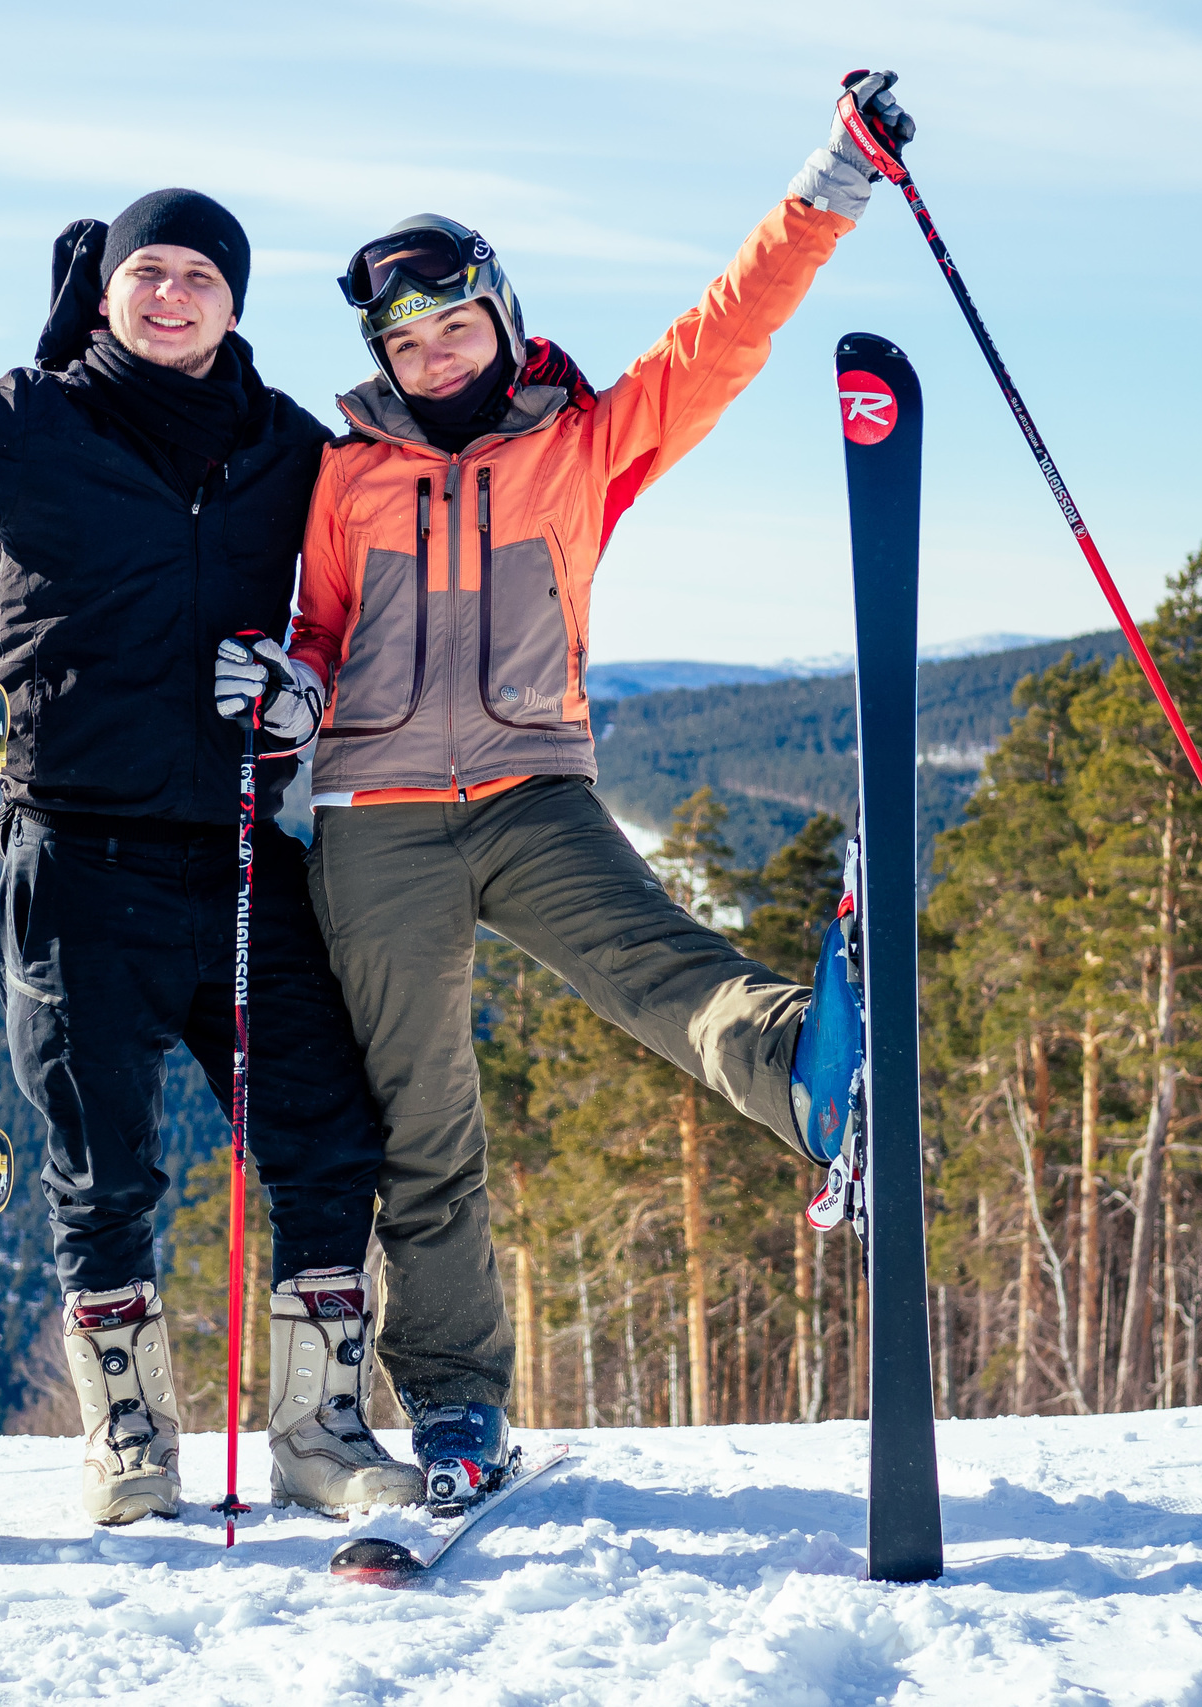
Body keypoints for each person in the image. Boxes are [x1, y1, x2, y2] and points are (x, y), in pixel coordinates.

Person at [285, 73, 917, 1503]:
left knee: (660, 970)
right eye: (412, 338)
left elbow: (724, 334)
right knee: (422, 1124)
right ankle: (454, 1406)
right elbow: (315, 629)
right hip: (376, 824)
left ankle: (815, 1087)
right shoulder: (343, 476)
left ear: (502, 318)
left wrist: (833, 180)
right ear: (384, 352)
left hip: (530, 794)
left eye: (459, 324)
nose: (441, 355)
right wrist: (293, 688)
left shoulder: (580, 442)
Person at [0, 189, 420, 1525]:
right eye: (152, 269)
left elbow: (369, 609)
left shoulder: (292, 453)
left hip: (248, 855)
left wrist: (307, 689)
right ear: (112, 286)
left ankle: (321, 1430)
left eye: (202, 273)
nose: (173, 294)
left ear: (237, 301)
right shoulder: (37, 421)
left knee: (324, 1133)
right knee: (103, 1163)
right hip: (76, 854)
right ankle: (130, 1435)